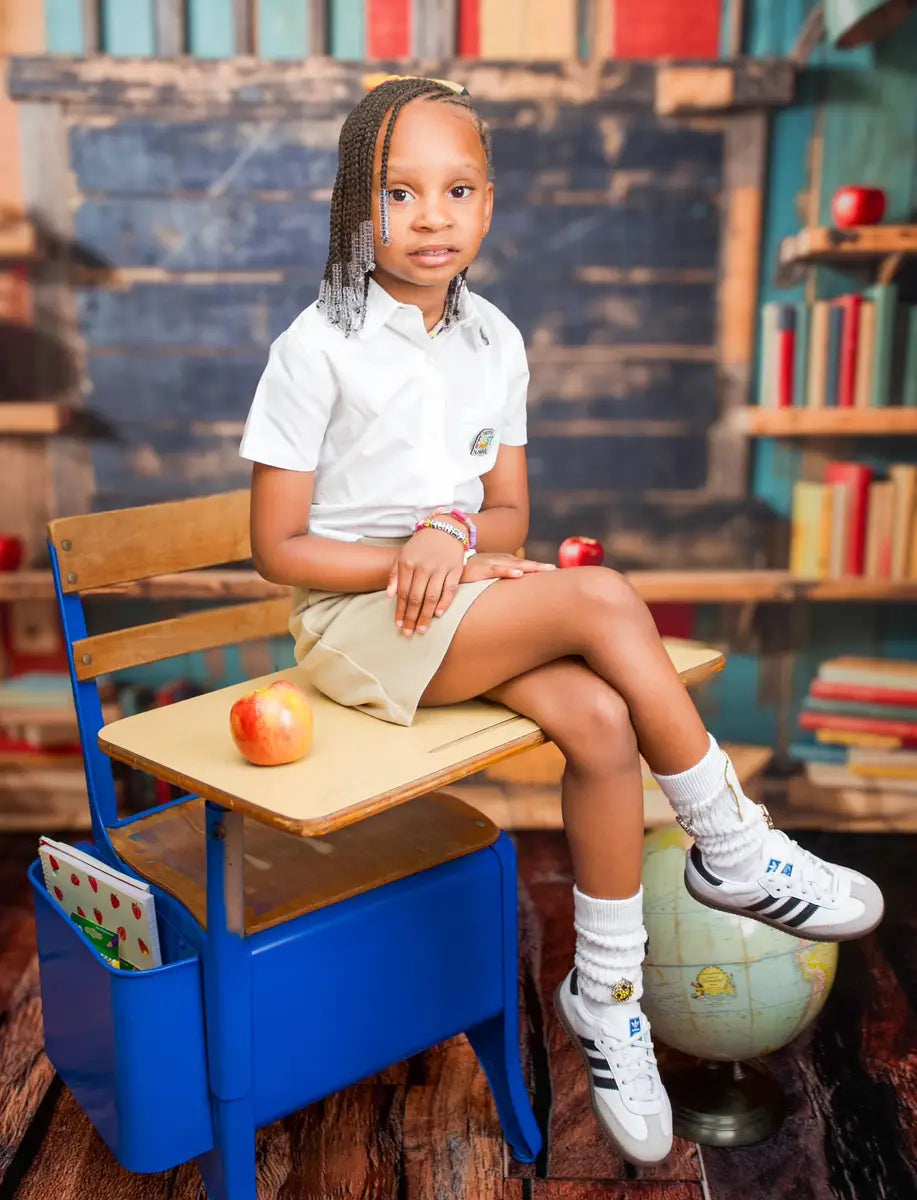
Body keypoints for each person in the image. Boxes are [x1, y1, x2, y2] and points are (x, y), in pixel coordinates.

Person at [239, 76, 884, 1166]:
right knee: (598, 594)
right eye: (398, 193)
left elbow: (507, 514)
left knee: (596, 720)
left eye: (456, 190)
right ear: (355, 208)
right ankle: (727, 843)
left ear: (490, 206)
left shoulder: (496, 341)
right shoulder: (319, 345)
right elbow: (279, 548)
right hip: (358, 623)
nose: (430, 215)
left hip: (461, 603)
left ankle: (607, 995)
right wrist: (418, 552)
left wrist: (460, 541)